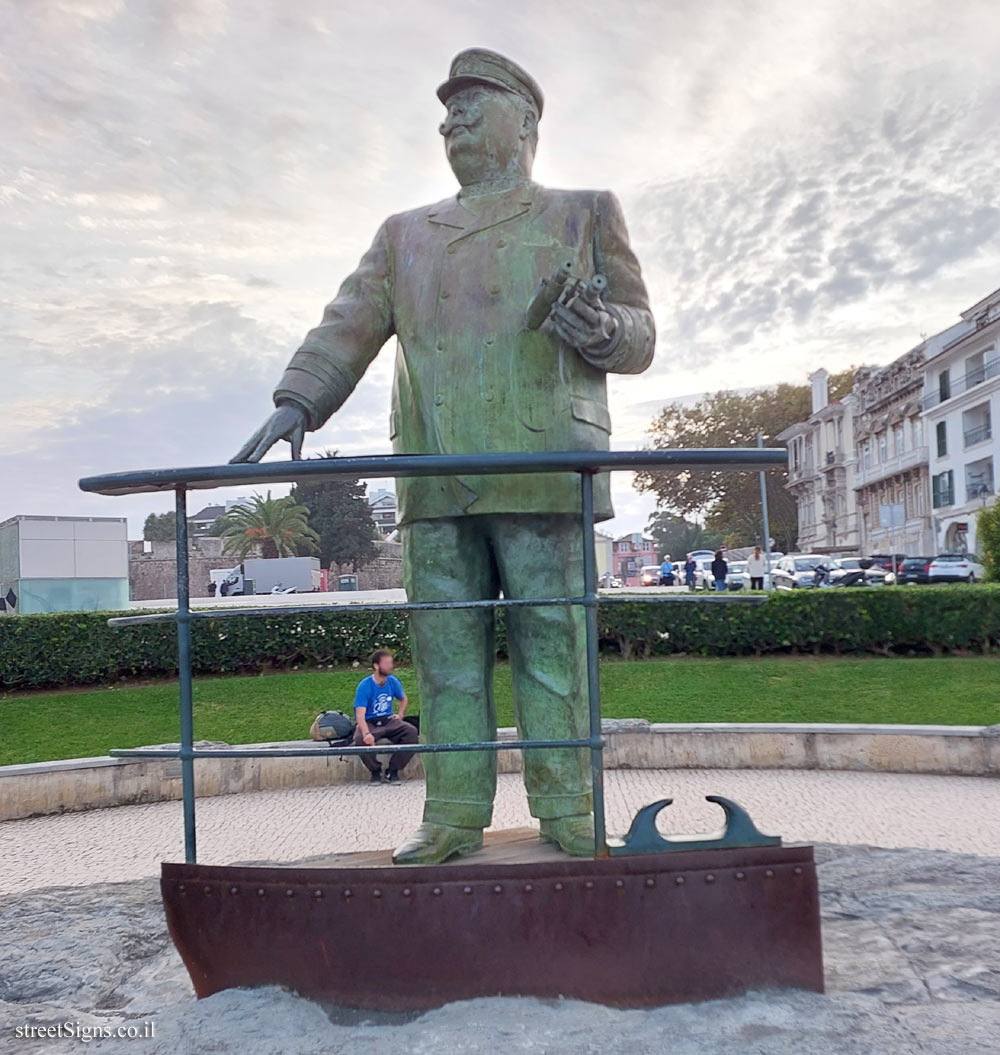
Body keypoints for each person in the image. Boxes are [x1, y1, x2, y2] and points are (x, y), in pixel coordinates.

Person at [230, 48, 655, 864]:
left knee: (554, 651)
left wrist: (605, 330)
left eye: (471, 104)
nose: (449, 121)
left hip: (542, 468)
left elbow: (639, 332)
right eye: (446, 111)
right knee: (447, 658)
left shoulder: (584, 213)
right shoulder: (404, 236)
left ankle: (568, 809)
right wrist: (298, 398)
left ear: (525, 122)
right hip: (435, 474)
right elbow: (346, 322)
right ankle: (454, 813)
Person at [353, 649, 419, 785]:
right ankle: (375, 772)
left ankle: (393, 771)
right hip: (370, 722)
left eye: (391, 663)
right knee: (359, 739)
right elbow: (360, 714)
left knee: (411, 732)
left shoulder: (392, 681)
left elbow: (403, 698)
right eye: (387, 663)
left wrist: (400, 714)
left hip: (388, 721)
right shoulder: (365, 686)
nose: (391, 666)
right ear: (376, 666)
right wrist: (366, 733)